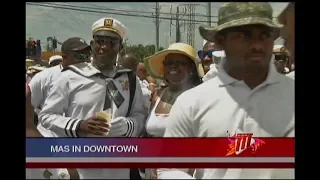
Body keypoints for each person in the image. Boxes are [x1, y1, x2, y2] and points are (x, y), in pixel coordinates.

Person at [159, 2, 295, 179]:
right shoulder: (192, 102)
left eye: (264, 35)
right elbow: (169, 169)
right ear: (220, 42)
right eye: (243, 36)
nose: (257, 45)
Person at [38, 17, 147, 179]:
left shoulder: (129, 79)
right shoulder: (70, 77)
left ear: (120, 47)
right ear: (92, 44)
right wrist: (80, 125)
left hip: (118, 168)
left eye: (112, 42)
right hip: (79, 168)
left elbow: (140, 115)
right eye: (100, 41)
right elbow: (46, 117)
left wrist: (127, 126)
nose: (104, 46)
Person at [143, 42, 203, 179]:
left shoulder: (199, 97)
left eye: (180, 62)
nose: (173, 66)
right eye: (169, 63)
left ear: (191, 68)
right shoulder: (157, 95)